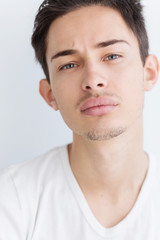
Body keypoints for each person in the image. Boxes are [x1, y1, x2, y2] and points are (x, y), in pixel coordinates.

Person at [0, 0, 159, 239]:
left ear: (148, 73)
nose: (93, 79)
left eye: (112, 55)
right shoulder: (13, 197)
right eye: (69, 65)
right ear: (49, 94)